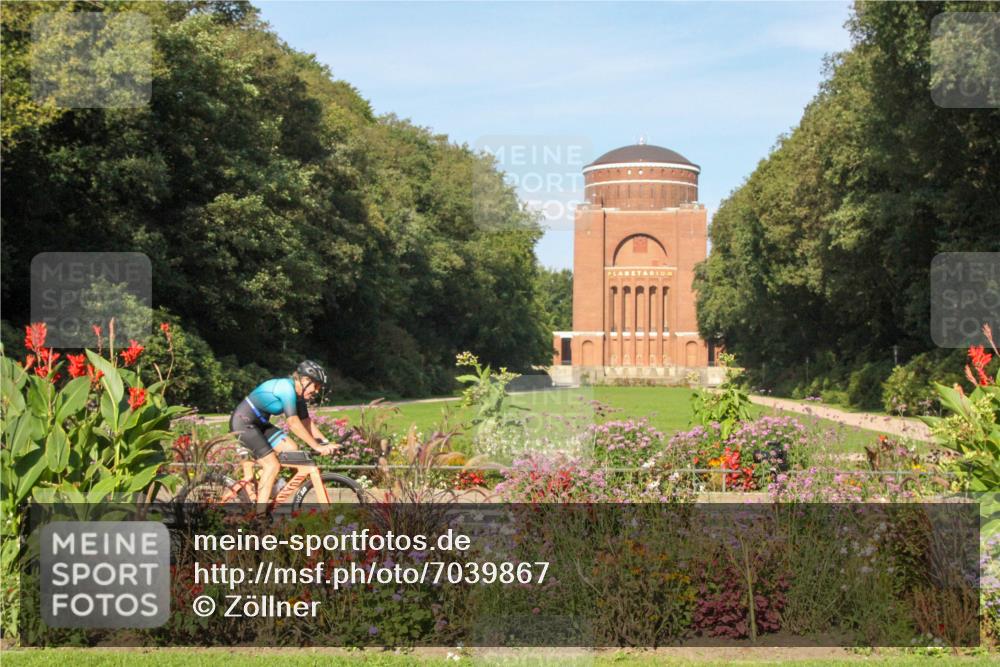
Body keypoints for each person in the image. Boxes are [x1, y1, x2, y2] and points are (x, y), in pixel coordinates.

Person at [229, 360, 339, 510]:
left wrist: (325, 442)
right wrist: (316, 446)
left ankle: (267, 487)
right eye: (316, 385)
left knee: (291, 448)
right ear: (305, 380)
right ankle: (259, 517)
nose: (317, 391)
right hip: (244, 423)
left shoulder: (299, 395)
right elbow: (293, 423)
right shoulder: (286, 389)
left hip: (259, 424)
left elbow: (306, 422)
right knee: (272, 465)